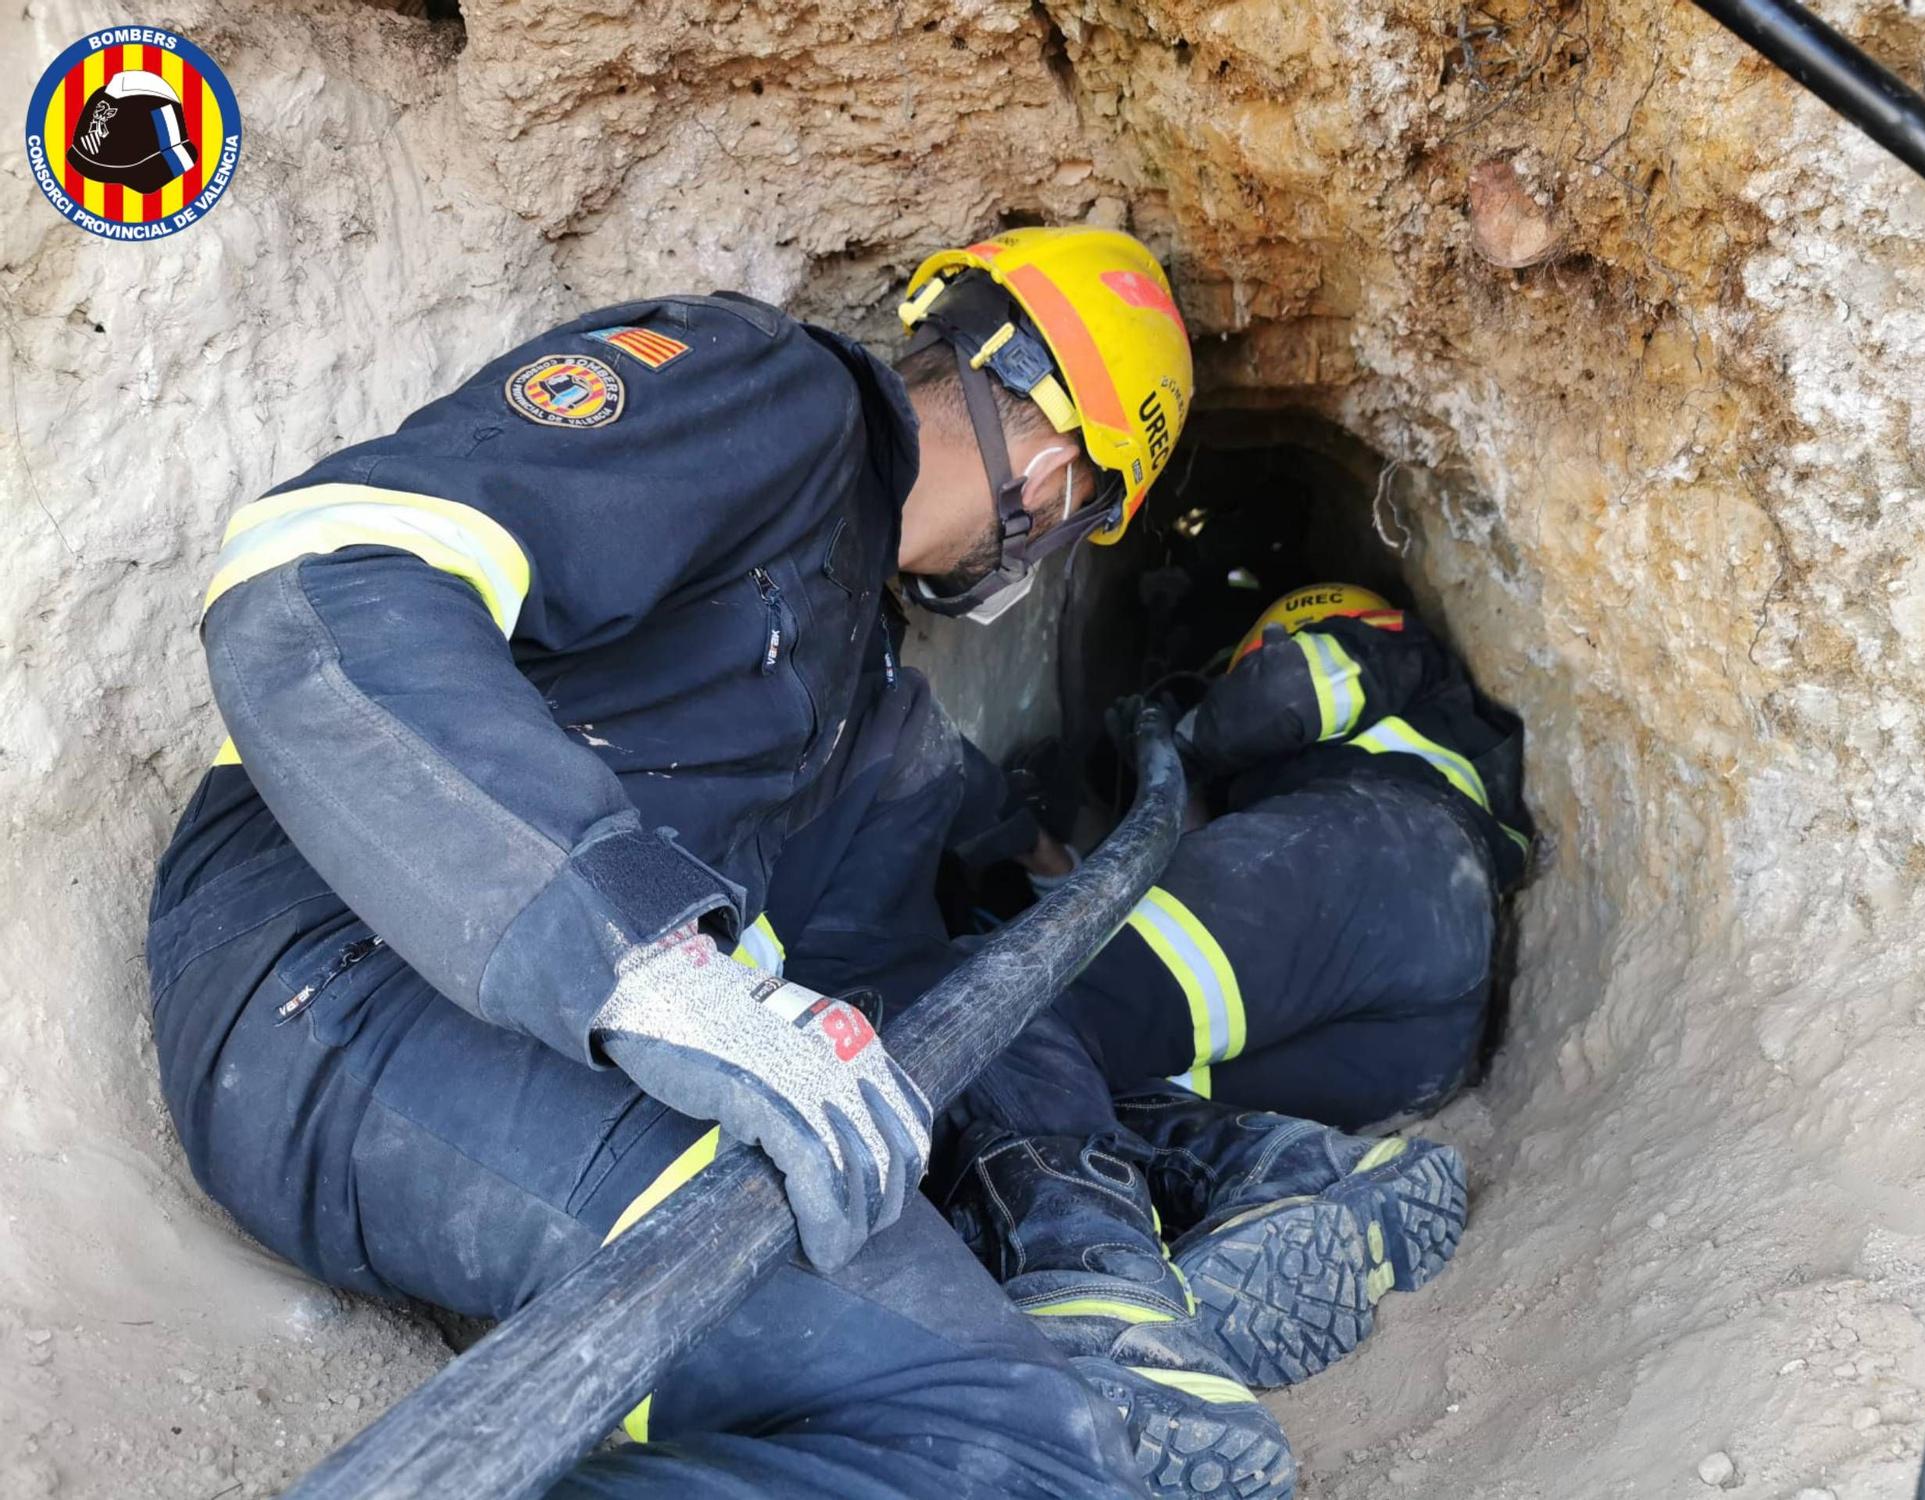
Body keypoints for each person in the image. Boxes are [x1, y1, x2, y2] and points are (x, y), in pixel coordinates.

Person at [146, 228, 1249, 1499]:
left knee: (1019, 1428)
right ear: (1054, 484)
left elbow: (883, 970)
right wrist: (640, 964)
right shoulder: (766, 395)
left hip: (511, 1038)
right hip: (337, 965)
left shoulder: (858, 687)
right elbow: (320, 574)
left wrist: (1053, 1188)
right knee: (1005, 1445)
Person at [943, 583, 1531, 1396]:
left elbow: (1287, 695)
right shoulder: (1455, 755)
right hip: (1426, 1028)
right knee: (1085, 1081)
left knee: (1003, 1002)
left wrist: (1183, 725)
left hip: (1369, 862)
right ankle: (1307, 1171)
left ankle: (1100, 1293)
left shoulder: (1383, 643)